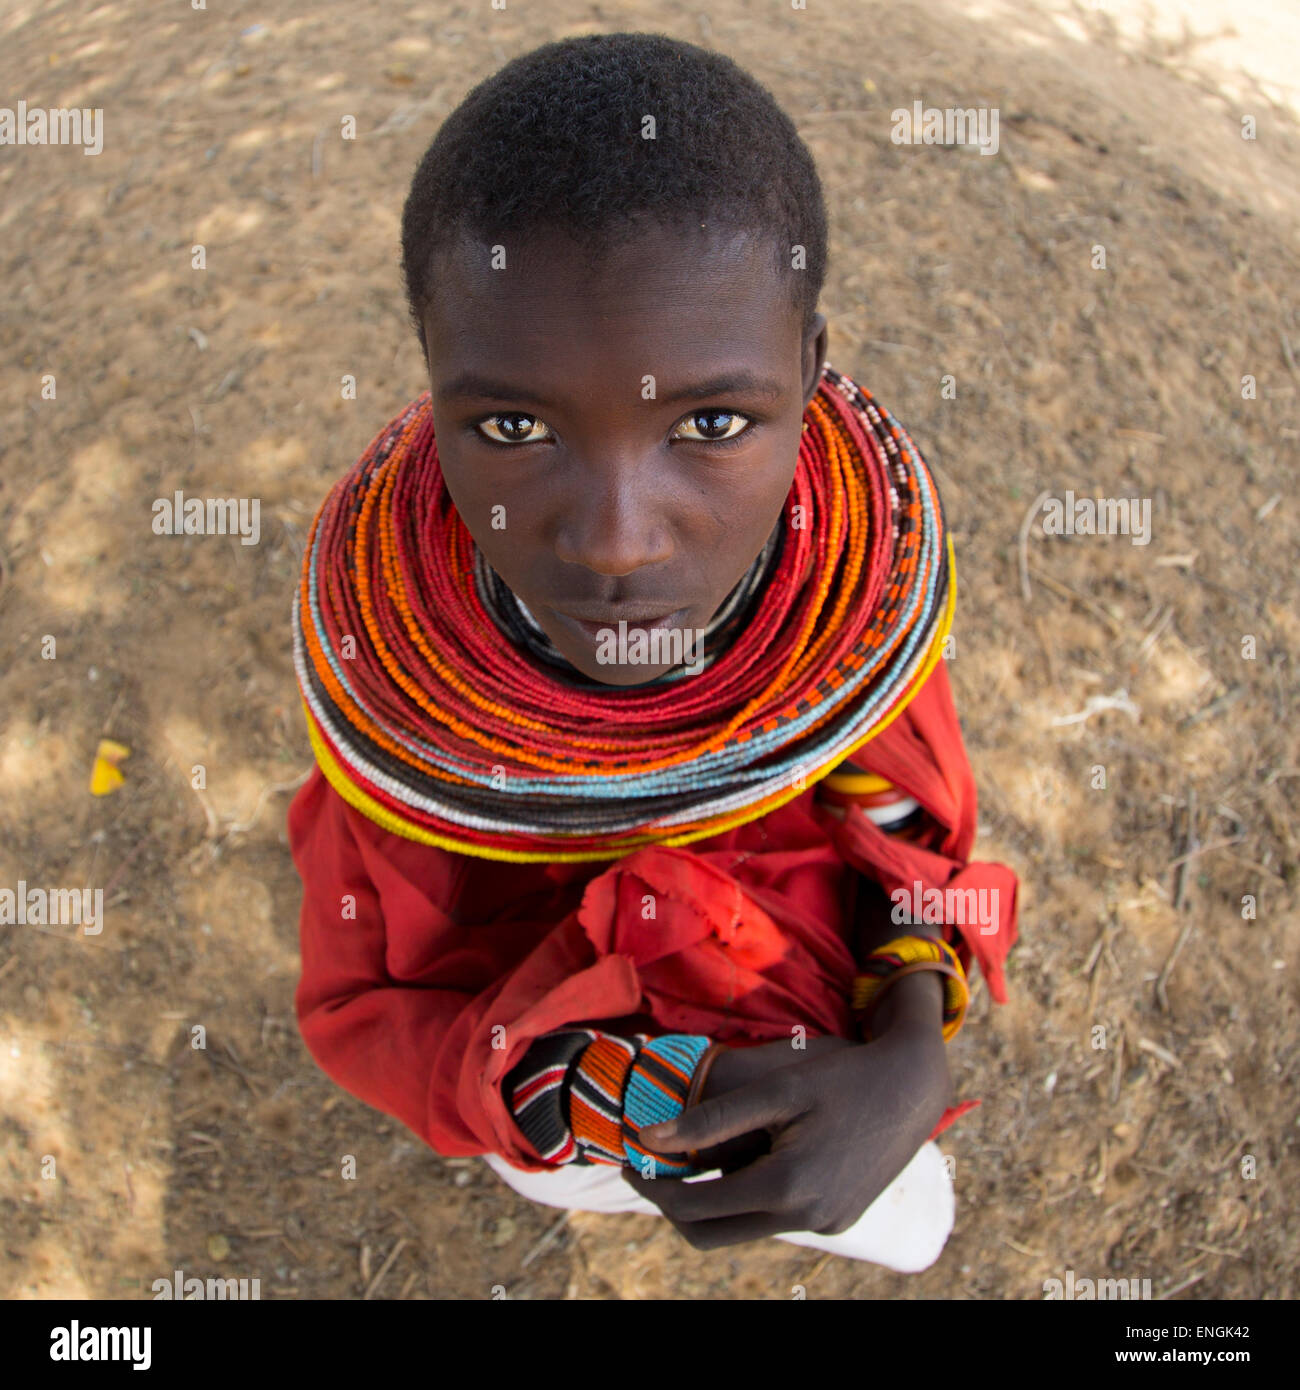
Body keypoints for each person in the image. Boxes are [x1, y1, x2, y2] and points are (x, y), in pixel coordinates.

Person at [288, 31, 1020, 1272]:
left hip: (810, 1017)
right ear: (431, 394)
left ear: (808, 373)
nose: (617, 544)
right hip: (552, 1080)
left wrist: (906, 1045)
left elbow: (904, 818)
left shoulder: (848, 602)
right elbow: (369, 1009)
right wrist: (586, 1097)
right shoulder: (406, 689)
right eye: (514, 424)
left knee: (913, 1222)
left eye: (713, 421)